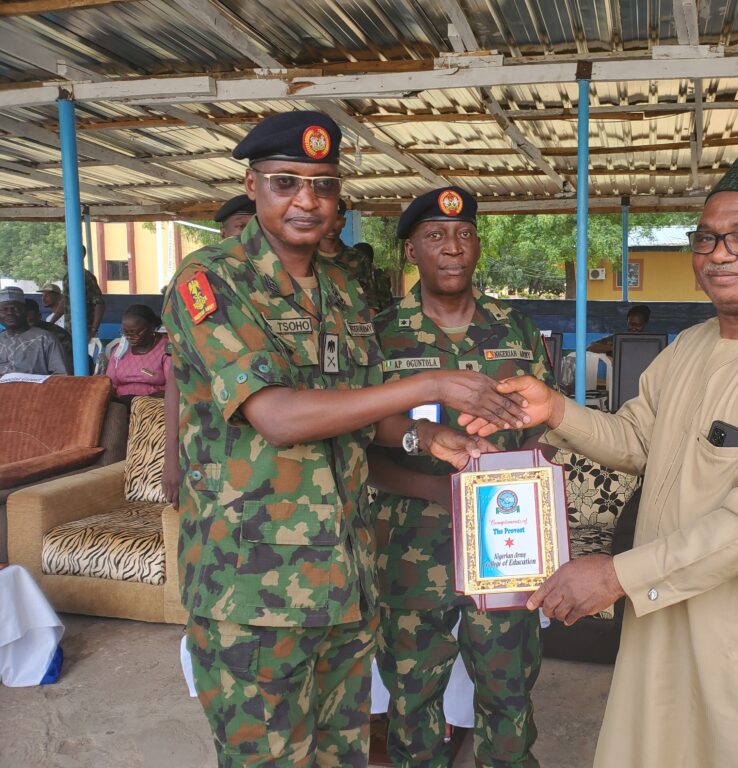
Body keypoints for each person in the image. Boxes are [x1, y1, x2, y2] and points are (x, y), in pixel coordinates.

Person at [463, 147, 738, 768]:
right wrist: (556, 409)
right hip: (662, 620)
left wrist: (616, 576)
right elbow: (637, 439)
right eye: (707, 238)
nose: (721, 253)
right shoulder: (690, 346)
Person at [162, 110, 525, 768]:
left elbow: (357, 412)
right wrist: (429, 385)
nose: (306, 200)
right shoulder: (210, 280)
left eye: (323, 185)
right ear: (252, 185)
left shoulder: (342, 289)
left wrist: (424, 437)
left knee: (344, 755)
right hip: (254, 589)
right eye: (286, 182)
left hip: (348, 580)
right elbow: (277, 415)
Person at [370, 186, 554, 768]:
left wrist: (526, 484)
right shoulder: (378, 335)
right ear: (411, 251)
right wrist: (438, 489)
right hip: (407, 550)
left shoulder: (516, 329)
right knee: (412, 704)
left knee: (509, 695)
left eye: (464, 234)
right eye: (435, 236)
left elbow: (545, 428)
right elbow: (355, 447)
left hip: (504, 548)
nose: (453, 248)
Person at [104, 305, 172, 403]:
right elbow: (110, 384)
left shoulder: (166, 349)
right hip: (121, 402)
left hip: (153, 403)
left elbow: (172, 388)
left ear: (151, 328)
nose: (129, 337)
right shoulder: (120, 350)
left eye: (135, 332)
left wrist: (139, 401)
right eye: (125, 332)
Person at [0, 287, 69, 376]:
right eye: (4, 310)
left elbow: (62, 375)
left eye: (15, 308)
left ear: (25, 310)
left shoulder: (45, 339)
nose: (10, 313)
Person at [53, 248, 106, 343]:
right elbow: (65, 301)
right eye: (64, 254)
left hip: (84, 331)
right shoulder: (67, 277)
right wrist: (51, 322)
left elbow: (99, 304)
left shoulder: (86, 277)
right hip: (69, 331)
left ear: (81, 256)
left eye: (67, 254)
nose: (64, 257)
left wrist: (93, 330)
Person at [24, 298, 73, 366]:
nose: (26, 325)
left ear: (39, 316)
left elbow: (66, 361)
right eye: (23, 322)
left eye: (30, 321)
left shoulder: (56, 334)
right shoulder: (13, 333)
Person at [587, 304, 651, 354]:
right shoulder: (617, 339)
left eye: (638, 325)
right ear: (627, 322)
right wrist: (614, 348)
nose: (633, 328)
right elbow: (591, 347)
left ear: (645, 324)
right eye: (631, 324)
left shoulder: (651, 342)